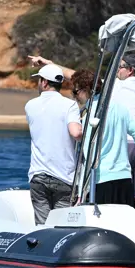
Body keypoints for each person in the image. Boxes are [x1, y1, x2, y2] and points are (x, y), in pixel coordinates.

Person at [29, 53, 135, 197]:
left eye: (120, 67)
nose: (116, 70)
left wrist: (48, 64)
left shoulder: (114, 86)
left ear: (130, 70)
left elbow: (75, 76)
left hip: (121, 148)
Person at [69, 68, 135, 209]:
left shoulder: (89, 115)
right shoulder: (120, 109)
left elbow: (87, 157)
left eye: (76, 92)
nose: (75, 97)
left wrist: (80, 194)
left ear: (86, 90)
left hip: (100, 182)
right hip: (124, 180)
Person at [25, 64, 83, 224]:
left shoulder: (30, 106)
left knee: (42, 227)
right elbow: (76, 133)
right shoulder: (70, 105)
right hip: (64, 176)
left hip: (38, 175)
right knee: (61, 226)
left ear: (44, 83)